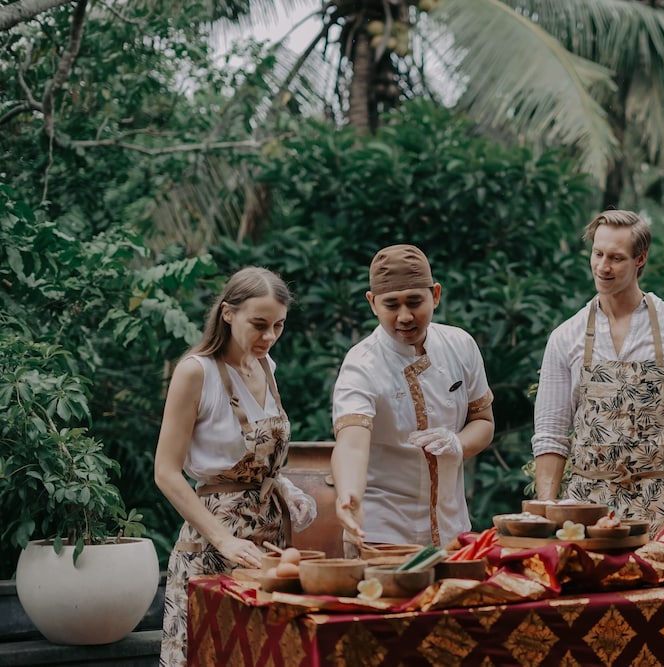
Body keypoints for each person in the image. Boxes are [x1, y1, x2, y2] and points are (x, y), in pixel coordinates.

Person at [154, 267, 317, 667]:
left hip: (270, 542)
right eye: (259, 325)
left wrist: (288, 489)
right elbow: (166, 472)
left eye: (278, 325)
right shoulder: (197, 372)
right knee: (212, 652)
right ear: (228, 313)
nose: (269, 337)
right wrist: (224, 540)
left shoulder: (267, 366)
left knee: (266, 653)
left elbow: (262, 464)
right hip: (214, 542)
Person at [531, 210, 664, 534]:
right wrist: (546, 514)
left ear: (640, 259)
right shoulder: (565, 338)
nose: (603, 267)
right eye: (598, 254)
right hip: (584, 515)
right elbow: (551, 434)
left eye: (616, 258)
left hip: (661, 512)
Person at [331, 244, 494, 551]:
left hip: (452, 529)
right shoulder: (361, 364)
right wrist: (349, 494)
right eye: (391, 305)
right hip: (381, 532)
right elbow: (351, 443)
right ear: (372, 303)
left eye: (415, 302)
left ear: (435, 295)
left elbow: (483, 421)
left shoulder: (460, 344)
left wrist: (457, 443)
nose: (405, 316)